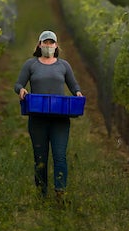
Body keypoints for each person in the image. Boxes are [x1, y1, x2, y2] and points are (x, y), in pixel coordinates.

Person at [14, 29, 84, 202]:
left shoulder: (64, 65)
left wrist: (78, 94)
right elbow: (18, 83)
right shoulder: (31, 65)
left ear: (56, 45)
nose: (48, 45)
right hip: (38, 118)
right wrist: (22, 90)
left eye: (51, 42)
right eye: (45, 42)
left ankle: (60, 191)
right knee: (40, 157)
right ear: (39, 45)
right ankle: (41, 193)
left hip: (59, 118)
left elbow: (74, 85)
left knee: (59, 155)